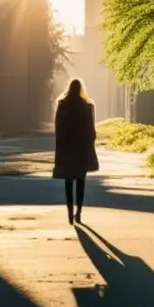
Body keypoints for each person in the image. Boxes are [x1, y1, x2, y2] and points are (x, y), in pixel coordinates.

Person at [52, 78, 99, 224]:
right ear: (80, 89)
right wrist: (90, 147)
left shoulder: (62, 105)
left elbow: (58, 129)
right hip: (81, 150)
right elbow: (92, 131)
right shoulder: (87, 106)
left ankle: (69, 213)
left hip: (67, 149)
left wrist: (59, 148)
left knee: (68, 182)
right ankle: (79, 212)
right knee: (80, 182)